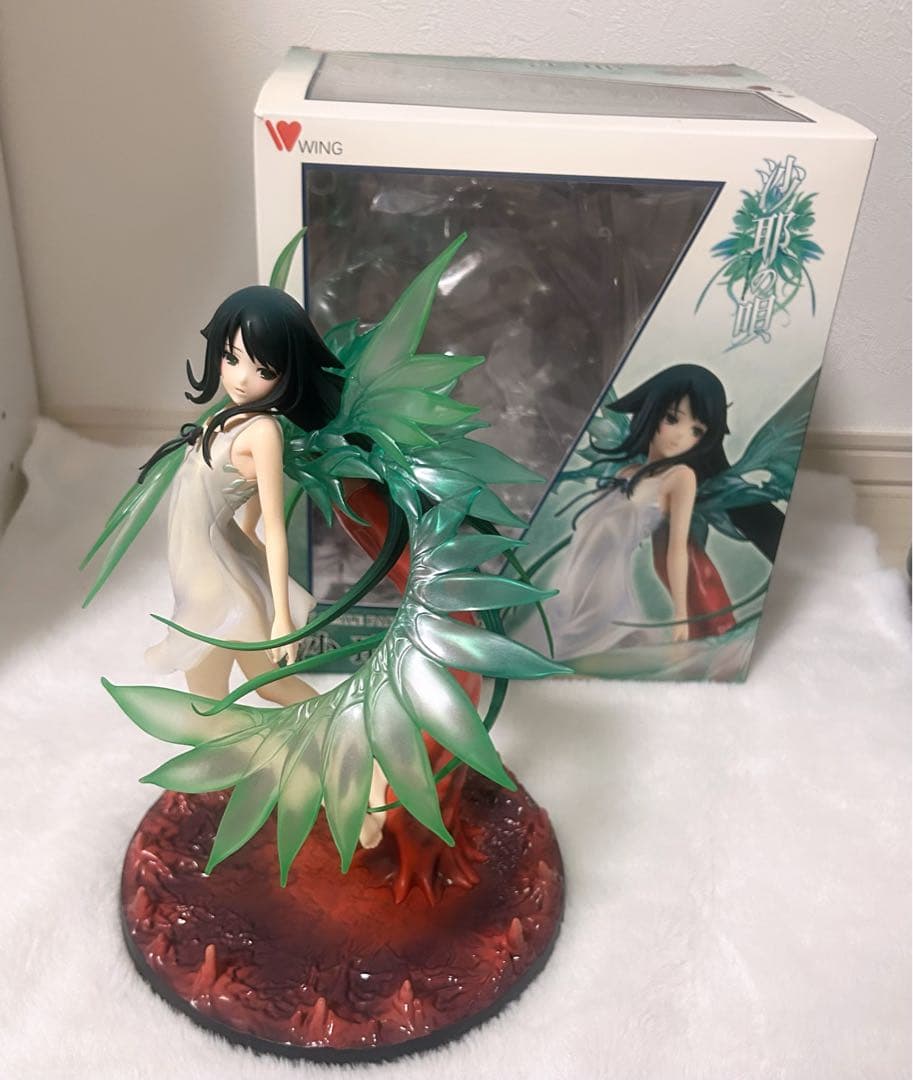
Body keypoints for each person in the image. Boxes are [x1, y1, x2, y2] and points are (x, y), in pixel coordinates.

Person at [540, 364, 783, 670]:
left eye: (697, 431)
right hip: (570, 579)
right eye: (672, 419)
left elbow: (674, 550)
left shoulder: (680, 477)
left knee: (578, 661)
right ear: (651, 411)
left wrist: (681, 616)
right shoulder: (626, 470)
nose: (681, 437)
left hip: (604, 593)